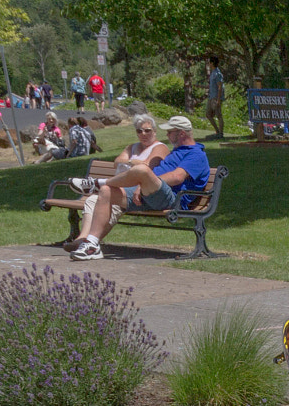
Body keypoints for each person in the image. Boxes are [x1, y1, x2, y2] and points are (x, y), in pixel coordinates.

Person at [69, 115, 210, 261]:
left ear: (181, 133)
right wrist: (143, 185)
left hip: (172, 199)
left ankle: (97, 183)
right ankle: (92, 245)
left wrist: (145, 182)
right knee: (106, 192)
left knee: (142, 170)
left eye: (170, 132)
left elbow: (176, 177)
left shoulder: (196, 154)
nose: (167, 135)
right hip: (150, 194)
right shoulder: (176, 151)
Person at [205, 55, 225, 140]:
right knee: (208, 114)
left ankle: (220, 133)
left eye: (209, 62)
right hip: (211, 97)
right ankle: (217, 131)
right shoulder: (212, 73)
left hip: (216, 97)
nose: (208, 64)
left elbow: (220, 87)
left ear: (212, 63)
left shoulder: (217, 73)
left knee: (218, 115)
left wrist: (218, 99)